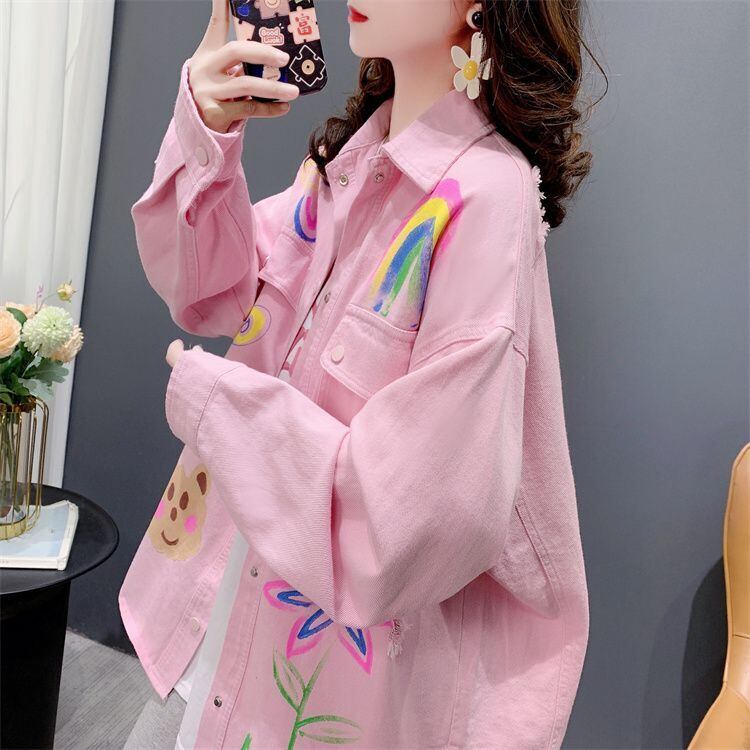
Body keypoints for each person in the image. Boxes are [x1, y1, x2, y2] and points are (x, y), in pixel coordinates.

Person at [121, 0, 600, 747]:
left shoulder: (488, 198)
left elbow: (412, 514)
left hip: (332, 666)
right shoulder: (355, 158)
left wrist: (222, 405)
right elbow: (216, 291)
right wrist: (208, 134)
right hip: (235, 587)